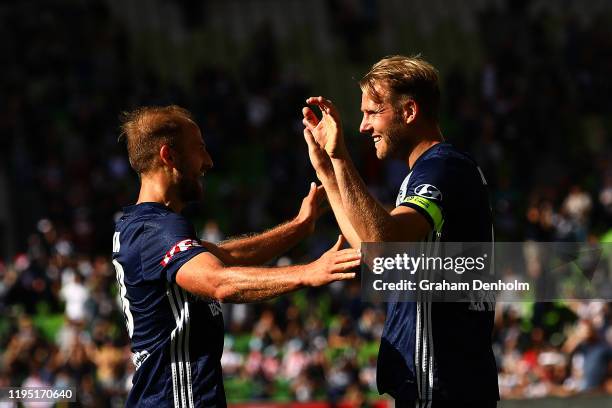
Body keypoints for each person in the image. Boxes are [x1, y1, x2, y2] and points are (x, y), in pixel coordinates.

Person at [112, 105, 361, 407]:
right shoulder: (156, 229)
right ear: (169, 156)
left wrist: (298, 227)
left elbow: (225, 255)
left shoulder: (143, 226)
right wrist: (307, 272)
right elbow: (219, 282)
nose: (208, 161)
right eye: (199, 149)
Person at [302, 55, 498, 407]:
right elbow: (376, 254)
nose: (363, 127)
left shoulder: (442, 168)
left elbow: (384, 243)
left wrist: (342, 156)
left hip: (441, 383)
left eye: (372, 112)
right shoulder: (434, 169)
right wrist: (330, 173)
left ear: (409, 111)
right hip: (440, 383)